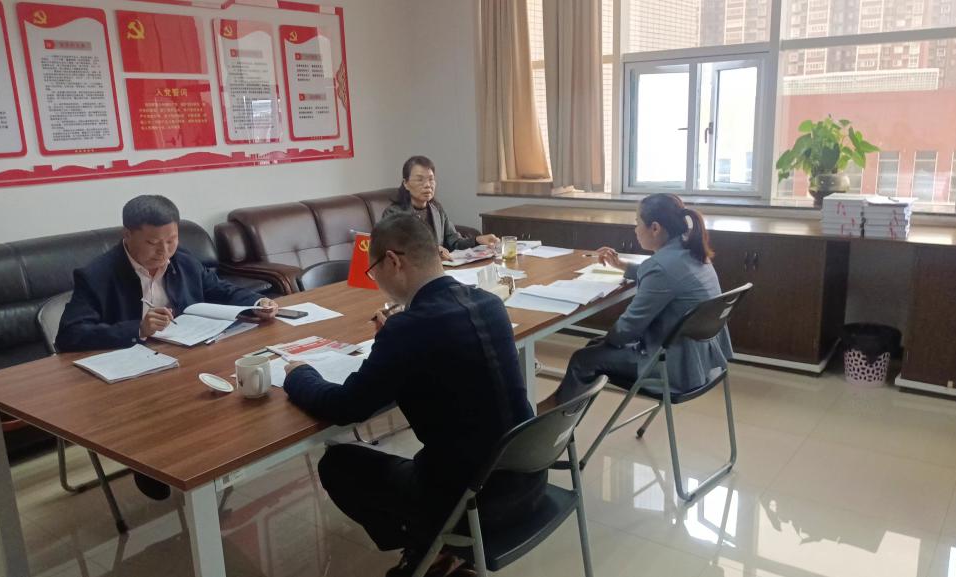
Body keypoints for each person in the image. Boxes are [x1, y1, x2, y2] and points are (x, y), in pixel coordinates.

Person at [283, 215, 542, 577]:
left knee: (337, 465)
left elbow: (345, 407)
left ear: (393, 261)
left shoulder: (408, 330)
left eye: (373, 272)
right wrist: (393, 342)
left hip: (472, 503)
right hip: (528, 481)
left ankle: (428, 547)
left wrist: (299, 374)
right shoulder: (489, 303)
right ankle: (437, 551)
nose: (376, 283)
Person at [56, 194, 278, 499]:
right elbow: (69, 335)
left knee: (236, 400)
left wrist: (257, 302)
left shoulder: (182, 260)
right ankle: (152, 460)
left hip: (188, 360)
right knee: (171, 414)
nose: (164, 251)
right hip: (134, 377)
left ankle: (210, 457)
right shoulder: (98, 274)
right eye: (152, 243)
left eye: (171, 240)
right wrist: (137, 328)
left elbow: (219, 290)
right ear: (127, 235)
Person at [540, 193, 733, 413]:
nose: (635, 229)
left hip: (673, 369)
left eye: (637, 223)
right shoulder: (691, 250)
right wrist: (621, 265)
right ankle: (562, 409)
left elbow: (626, 331)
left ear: (655, 228)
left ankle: (555, 418)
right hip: (702, 360)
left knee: (583, 359)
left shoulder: (660, 267)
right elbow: (667, 277)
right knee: (595, 347)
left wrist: (610, 340)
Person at [382, 155, 499, 261]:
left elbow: (454, 242)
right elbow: (398, 249)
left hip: (440, 269)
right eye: (420, 179)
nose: (427, 185)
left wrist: (478, 240)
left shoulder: (436, 210)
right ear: (406, 183)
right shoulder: (393, 214)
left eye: (431, 179)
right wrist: (432, 250)